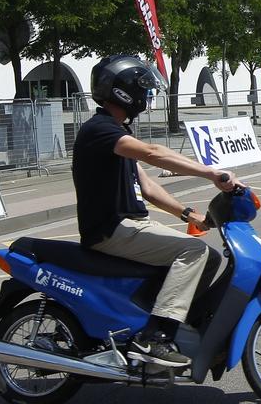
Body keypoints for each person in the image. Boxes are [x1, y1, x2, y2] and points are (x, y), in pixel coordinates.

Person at [72, 54, 240, 368]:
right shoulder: (101, 130)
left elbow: (148, 188)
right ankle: (154, 337)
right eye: (142, 88)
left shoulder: (117, 135)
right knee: (193, 252)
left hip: (130, 225)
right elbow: (153, 153)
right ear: (122, 90)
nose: (147, 96)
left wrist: (188, 214)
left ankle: (180, 328)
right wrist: (211, 173)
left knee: (211, 256)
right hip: (111, 228)